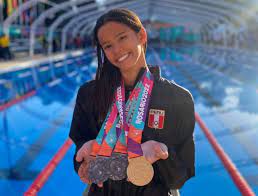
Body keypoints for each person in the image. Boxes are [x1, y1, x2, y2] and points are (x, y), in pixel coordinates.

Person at [69, 8, 195, 196]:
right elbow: (80, 144)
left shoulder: (177, 98)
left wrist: (159, 154)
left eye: (122, 38)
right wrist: (84, 157)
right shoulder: (89, 94)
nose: (117, 50)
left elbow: (181, 175)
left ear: (141, 35)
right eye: (108, 46)